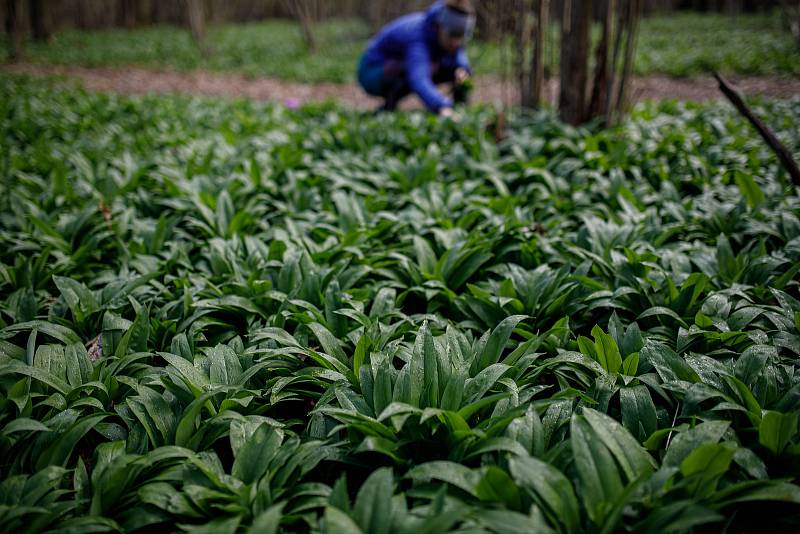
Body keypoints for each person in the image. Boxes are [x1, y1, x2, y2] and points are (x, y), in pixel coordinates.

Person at [357, 0, 475, 116]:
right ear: (439, 27)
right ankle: (387, 110)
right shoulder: (418, 37)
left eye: (460, 37)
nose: (455, 43)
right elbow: (418, 78)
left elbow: (458, 56)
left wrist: (462, 69)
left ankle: (460, 109)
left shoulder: (445, 36)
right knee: (410, 72)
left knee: (458, 73)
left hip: (398, 66)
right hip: (371, 71)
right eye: (452, 36)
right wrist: (441, 106)